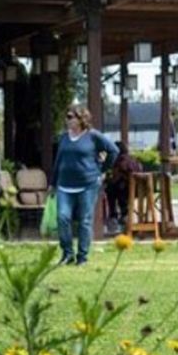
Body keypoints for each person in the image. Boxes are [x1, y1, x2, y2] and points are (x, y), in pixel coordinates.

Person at [50, 104, 118, 266]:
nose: (68, 120)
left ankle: (82, 257)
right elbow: (59, 160)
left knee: (85, 220)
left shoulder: (93, 136)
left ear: (81, 119)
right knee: (63, 218)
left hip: (87, 185)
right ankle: (67, 254)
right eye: (67, 117)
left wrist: (102, 170)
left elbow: (113, 150)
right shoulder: (64, 137)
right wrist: (52, 183)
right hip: (64, 186)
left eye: (71, 117)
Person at [104, 142, 142, 234]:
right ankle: (122, 216)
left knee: (110, 189)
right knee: (115, 188)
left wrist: (106, 181)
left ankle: (114, 216)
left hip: (125, 191)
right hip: (139, 190)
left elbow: (115, 179)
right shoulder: (133, 160)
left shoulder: (120, 162)